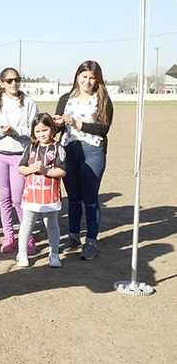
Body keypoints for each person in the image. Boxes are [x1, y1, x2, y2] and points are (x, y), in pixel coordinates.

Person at [54, 60, 113, 261]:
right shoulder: (65, 99)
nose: (87, 81)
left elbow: (104, 128)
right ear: (77, 76)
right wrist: (58, 124)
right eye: (84, 76)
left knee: (90, 198)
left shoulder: (102, 99)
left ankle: (91, 241)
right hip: (68, 150)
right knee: (73, 198)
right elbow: (59, 129)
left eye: (92, 78)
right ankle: (73, 238)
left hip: (93, 151)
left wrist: (76, 122)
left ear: (97, 80)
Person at [0, 68, 39, 253]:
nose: (13, 83)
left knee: (19, 198)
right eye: (9, 80)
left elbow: (35, 130)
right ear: (1, 83)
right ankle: (8, 235)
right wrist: (1, 131)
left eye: (16, 80)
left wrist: (16, 131)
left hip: (20, 156)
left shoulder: (29, 103)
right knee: (4, 197)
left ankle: (27, 236)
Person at [16, 113, 67, 267]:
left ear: (52, 129)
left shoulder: (58, 148)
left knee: (51, 224)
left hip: (50, 194)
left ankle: (54, 254)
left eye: (44, 130)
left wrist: (46, 171)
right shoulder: (30, 147)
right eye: (37, 131)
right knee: (27, 224)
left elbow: (62, 171)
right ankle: (22, 253)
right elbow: (21, 168)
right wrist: (31, 169)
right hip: (31, 194)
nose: (41, 134)